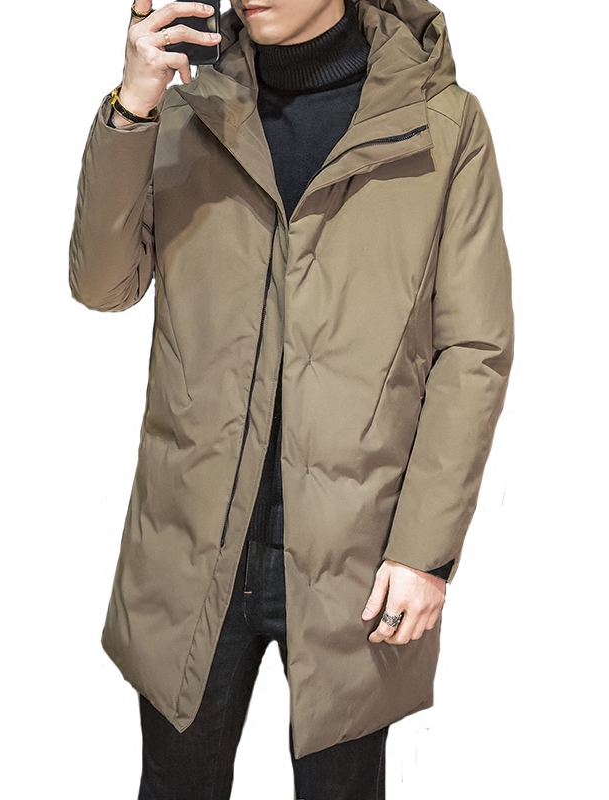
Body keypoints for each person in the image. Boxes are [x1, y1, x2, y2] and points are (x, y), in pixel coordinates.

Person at [69, 0, 514, 797]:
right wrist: (132, 105)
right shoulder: (188, 109)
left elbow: (472, 352)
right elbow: (103, 284)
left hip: (359, 555)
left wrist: (425, 549)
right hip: (190, 541)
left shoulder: (441, 125)